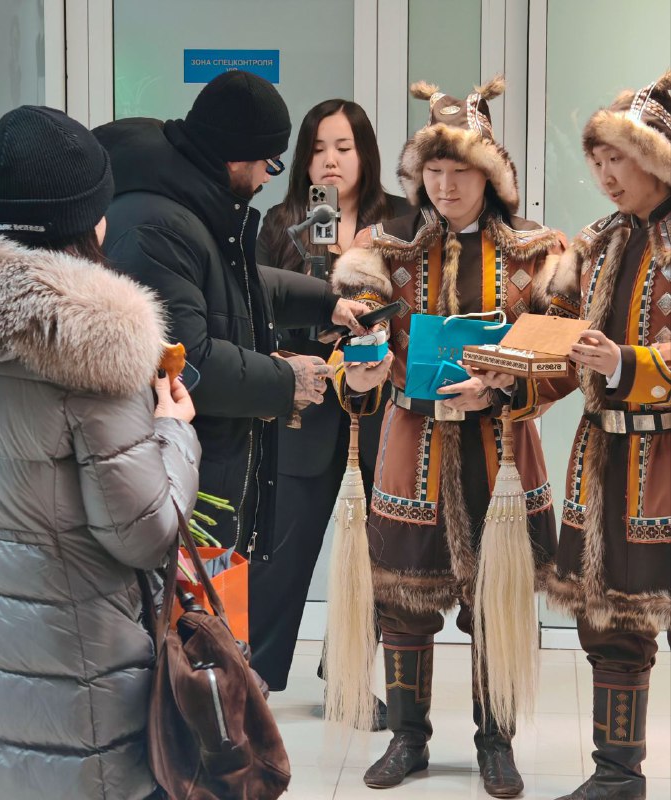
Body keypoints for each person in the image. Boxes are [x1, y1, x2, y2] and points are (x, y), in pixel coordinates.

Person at [329, 77, 567, 796]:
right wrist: (359, 371)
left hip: (501, 454)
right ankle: (408, 738)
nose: (445, 185)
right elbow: (353, 342)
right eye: (433, 170)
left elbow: (560, 356)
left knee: (498, 602)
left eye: (460, 170)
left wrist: (502, 384)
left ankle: (496, 741)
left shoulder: (535, 253)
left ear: (490, 174)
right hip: (413, 446)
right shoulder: (386, 250)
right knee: (402, 602)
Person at [0, 106, 201, 800]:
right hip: (82, 682)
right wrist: (174, 430)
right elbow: (142, 531)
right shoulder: (92, 348)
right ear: (95, 221)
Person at [94, 71, 368, 565]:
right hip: (177, 492)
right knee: (195, 614)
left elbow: (236, 285)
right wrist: (288, 381)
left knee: (222, 612)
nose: (269, 177)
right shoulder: (157, 227)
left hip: (199, 477)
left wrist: (327, 302)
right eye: (269, 162)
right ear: (237, 158)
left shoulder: (189, 204)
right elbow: (188, 363)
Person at [538, 70, 671, 800]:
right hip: (604, 459)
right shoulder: (593, 242)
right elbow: (555, 340)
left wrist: (626, 362)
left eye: (617, 158)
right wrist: (504, 380)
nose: (605, 176)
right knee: (610, 619)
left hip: (667, 457)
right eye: (596, 161)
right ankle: (617, 774)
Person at [249, 99, 410, 697]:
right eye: (318, 149)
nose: (331, 161)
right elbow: (254, 308)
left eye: (343, 147)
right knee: (281, 552)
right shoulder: (280, 222)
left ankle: (346, 678)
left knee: (373, 557)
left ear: (365, 153)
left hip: (383, 412)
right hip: (304, 409)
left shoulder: (401, 221)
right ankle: (254, 676)